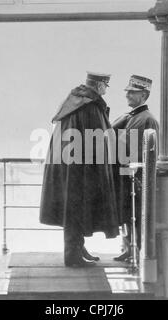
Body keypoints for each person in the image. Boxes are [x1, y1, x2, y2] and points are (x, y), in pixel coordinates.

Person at [39, 72, 119, 267]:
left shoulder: (75, 102)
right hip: (81, 170)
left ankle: (78, 249)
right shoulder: (90, 106)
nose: (105, 90)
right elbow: (99, 140)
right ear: (99, 85)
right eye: (105, 86)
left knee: (73, 209)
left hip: (69, 168)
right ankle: (73, 256)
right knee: (76, 210)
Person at [112, 75, 159, 262]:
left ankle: (136, 250)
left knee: (137, 216)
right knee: (128, 214)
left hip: (137, 177)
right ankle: (129, 248)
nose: (127, 95)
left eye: (132, 92)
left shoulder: (146, 119)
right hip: (127, 175)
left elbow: (140, 153)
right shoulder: (133, 117)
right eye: (128, 92)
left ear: (144, 95)